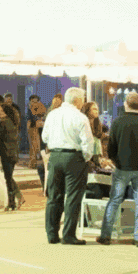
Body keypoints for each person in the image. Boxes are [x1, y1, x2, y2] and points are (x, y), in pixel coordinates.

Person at [98, 91, 138, 247]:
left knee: (114, 200)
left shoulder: (118, 122)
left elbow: (111, 146)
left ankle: (105, 235)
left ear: (126, 104)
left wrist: (115, 161)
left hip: (122, 167)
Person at [41, 87, 97, 244]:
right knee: (73, 197)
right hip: (74, 158)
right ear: (78, 100)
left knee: (53, 196)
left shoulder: (52, 114)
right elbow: (88, 142)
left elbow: (44, 137)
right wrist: (85, 158)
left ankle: (51, 234)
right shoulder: (80, 117)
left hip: (55, 156)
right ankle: (68, 235)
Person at [0, 103, 24, 211]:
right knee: (9, 176)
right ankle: (15, 199)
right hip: (13, 153)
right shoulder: (13, 122)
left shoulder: (2, 123)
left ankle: (13, 201)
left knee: (8, 178)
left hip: (6, 153)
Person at [27, 95, 46, 165]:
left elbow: (43, 112)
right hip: (33, 126)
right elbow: (33, 115)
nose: (34, 103)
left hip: (38, 126)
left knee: (37, 145)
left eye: (36, 101)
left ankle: (34, 162)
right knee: (34, 145)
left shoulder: (39, 105)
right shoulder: (31, 106)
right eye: (33, 101)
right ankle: (32, 162)